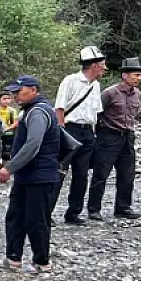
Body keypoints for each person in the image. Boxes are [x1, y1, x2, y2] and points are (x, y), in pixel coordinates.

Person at [0, 75, 61, 273]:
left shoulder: (38, 112)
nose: (15, 95)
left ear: (33, 90)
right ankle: (13, 259)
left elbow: (33, 144)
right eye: (14, 92)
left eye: (19, 91)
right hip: (28, 175)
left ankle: (42, 262)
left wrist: (9, 167)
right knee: (15, 216)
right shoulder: (30, 111)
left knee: (36, 220)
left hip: (39, 176)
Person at [88, 57, 141, 221]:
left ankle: (123, 207)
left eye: (140, 75)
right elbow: (97, 114)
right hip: (109, 135)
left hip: (127, 136)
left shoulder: (137, 94)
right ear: (124, 75)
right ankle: (94, 208)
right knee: (101, 173)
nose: (139, 78)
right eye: (136, 75)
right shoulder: (109, 93)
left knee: (127, 174)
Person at [55, 46, 105, 225]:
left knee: (81, 174)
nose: (104, 68)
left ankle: (73, 212)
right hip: (70, 129)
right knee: (59, 172)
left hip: (87, 132)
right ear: (94, 65)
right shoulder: (70, 81)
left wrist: (92, 133)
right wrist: (61, 131)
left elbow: (96, 111)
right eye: (102, 64)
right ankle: (46, 210)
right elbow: (59, 108)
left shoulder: (96, 85)